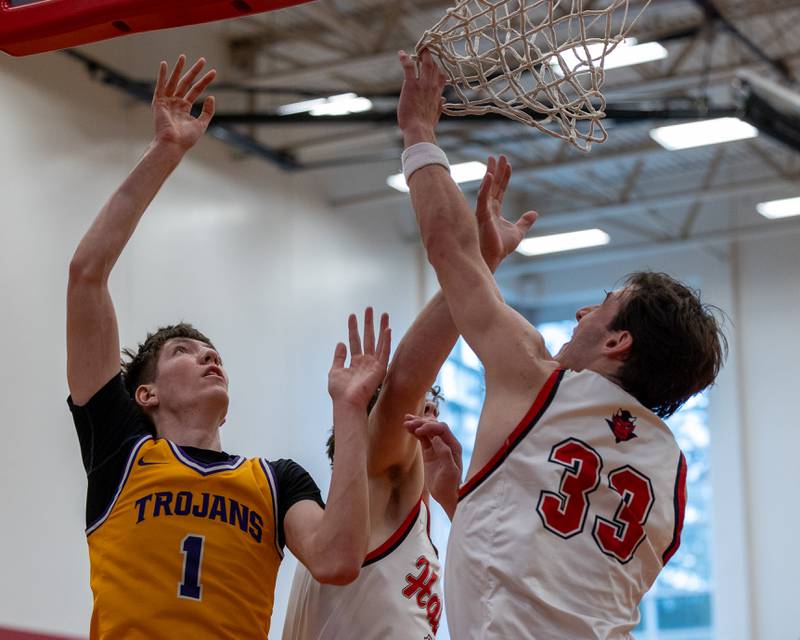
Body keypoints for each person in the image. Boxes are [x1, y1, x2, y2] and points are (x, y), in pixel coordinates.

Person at [397, 50, 727, 639]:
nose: (581, 313)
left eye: (601, 303)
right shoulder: (671, 468)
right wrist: (465, 497)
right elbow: (568, 574)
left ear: (619, 340)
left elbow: (449, 246)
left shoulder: (538, 381)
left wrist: (420, 132)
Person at [66, 54, 391, 639]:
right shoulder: (122, 452)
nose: (208, 356)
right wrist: (166, 152)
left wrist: (349, 414)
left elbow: (337, 559)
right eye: (184, 352)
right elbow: (88, 273)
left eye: (211, 350)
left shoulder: (277, 480)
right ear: (145, 393)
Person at [282, 154, 536, 639]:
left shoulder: (410, 516)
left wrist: (454, 499)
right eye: (424, 405)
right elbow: (405, 380)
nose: (432, 411)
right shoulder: (382, 476)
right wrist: (479, 264)